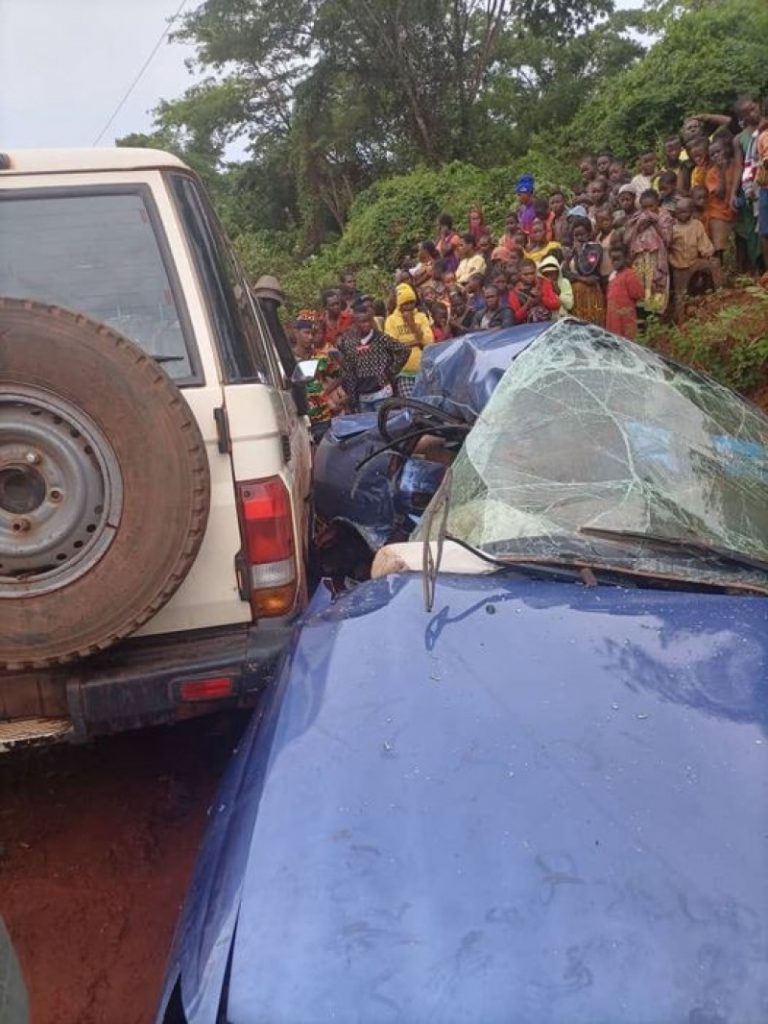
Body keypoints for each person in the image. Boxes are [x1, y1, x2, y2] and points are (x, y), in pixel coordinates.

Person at [336, 300, 410, 413]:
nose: (367, 324)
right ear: (355, 322)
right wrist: (352, 397)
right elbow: (349, 370)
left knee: (384, 426)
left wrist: (390, 371)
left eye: (369, 320)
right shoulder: (349, 342)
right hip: (363, 397)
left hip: (382, 393)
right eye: (362, 322)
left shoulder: (380, 338)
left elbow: (404, 350)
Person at [668, 196, 719, 323]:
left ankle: (720, 293)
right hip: (679, 266)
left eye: (684, 211)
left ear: (691, 212)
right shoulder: (672, 228)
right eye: (678, 211)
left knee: (714, 264)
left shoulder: (696, 225)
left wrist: (708, 254)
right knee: (680, 295)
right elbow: (667, 245)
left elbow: (703, 243)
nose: (681, 214)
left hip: (694, 261)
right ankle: (681, 320)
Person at [624, 188, 672, 316]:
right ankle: (642, 320)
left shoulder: (665, 217)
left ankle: (656, 319)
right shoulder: (636, 217)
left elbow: (668, 240)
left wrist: (655, 223)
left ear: (658, 203)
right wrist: (640, 226)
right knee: (641, 290)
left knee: (656, 290)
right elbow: (627, 239)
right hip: (640, 260)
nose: (648, 210)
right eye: (644, 207)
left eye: (651, 206)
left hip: (656, 258)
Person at [383, 282, 434, 396]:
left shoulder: (421, 317)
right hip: (404, 372)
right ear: (399, 304)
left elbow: (429, 341)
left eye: (412, 302)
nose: (409, 306)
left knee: (426, 405)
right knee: (410, 407)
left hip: (423, 369)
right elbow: (392, 345)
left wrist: (412, 323)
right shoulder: (391, 320)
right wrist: (417, 342)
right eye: (405, 303)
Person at [562, 217, 605, 325]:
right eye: (576, 235)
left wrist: (580, 252)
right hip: (576, 294)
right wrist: (567, 259)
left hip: (590, 293)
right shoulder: (573, 250)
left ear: (589, 234)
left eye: (582, 234)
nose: (579, 238)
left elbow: (587, 270)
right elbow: (564, 273)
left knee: (591, 323)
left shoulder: (594, 249)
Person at [706, 136, 738, 261]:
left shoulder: (736, 164)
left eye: (718, 152)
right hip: (718, 213)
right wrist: (722, 170)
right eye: (712, 154)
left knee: (741, 241)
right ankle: (719, 272)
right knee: (719, 247)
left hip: (735, 211)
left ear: (726, 149)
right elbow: (719, 193)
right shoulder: (711, 173)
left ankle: (743, 269)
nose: (715, 156)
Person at [605, 243, 645, 340]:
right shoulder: (613, 276)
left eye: (618, 259)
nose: (615, 262)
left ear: (626, 258)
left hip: (625, 317)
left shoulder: (629, 275)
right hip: (612, 316)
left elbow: (638, 294)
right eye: (612, 259)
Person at [507, 258, 560, 323]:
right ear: (519, 274)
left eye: (532, 273)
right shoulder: (514, 292)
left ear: (536, 271)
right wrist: (527, 304)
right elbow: (516, 318)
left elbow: (556, 305)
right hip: (529, 328)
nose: (529, 276)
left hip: (548, 323)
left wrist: (541, 298)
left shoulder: (543, 282)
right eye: (525, 274)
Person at [538, 254, 574, 320]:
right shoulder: (540, 284)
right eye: (546, 274)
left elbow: (569, 305)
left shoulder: (564, 282)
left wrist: (559, 293)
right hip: (545, 318)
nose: (549, 277)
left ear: (557, 273)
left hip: (562, 318)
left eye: (552, 274)